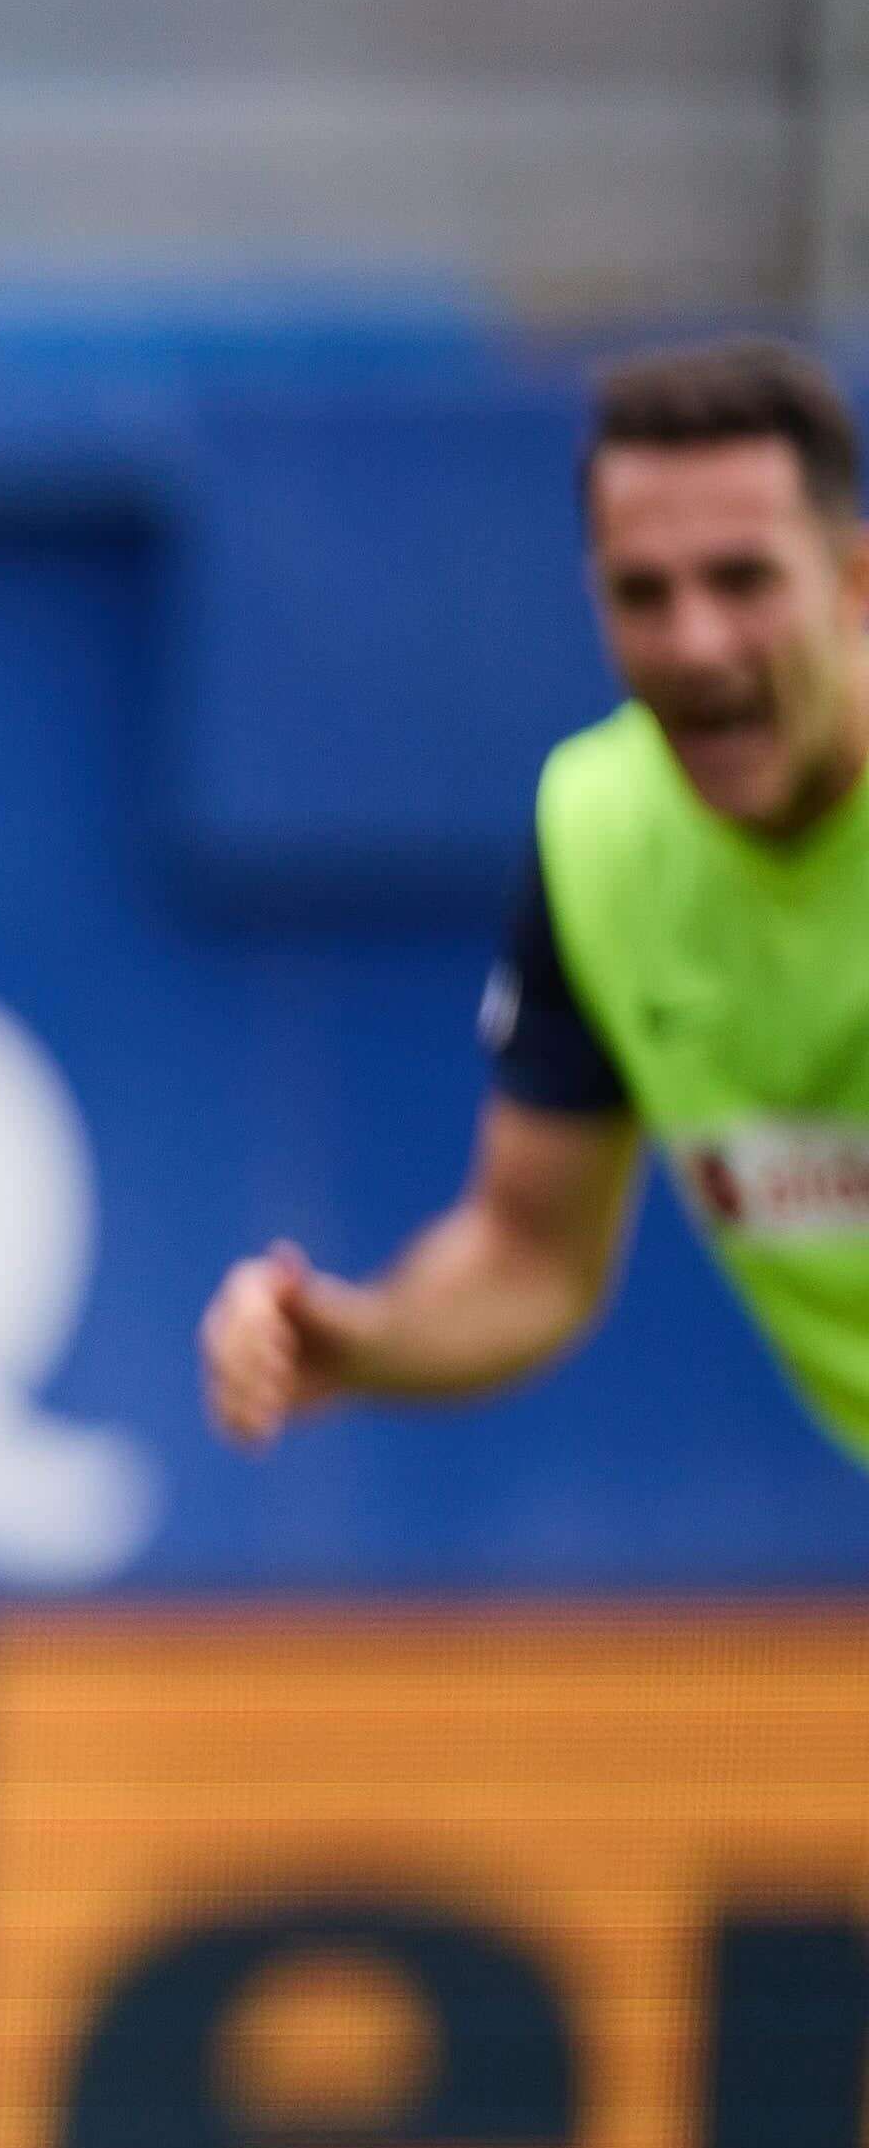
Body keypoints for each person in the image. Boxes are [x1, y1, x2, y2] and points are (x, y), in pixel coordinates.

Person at [203, 337, 869, 1482]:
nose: (697, 643)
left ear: (855, 582)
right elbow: (528, 1255)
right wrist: (364, 1341)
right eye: (642, 594)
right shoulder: (599, 832)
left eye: (744, 580)